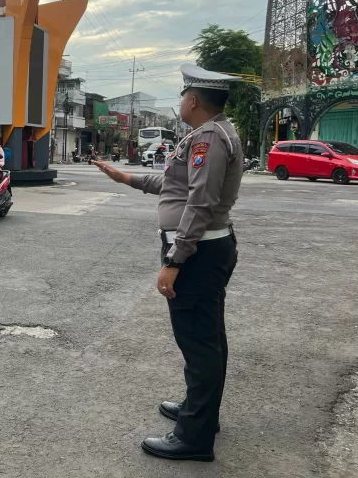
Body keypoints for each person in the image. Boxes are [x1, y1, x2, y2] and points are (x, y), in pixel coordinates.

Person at [92, 64, 244, 462]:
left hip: (198, 253)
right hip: (207, 250)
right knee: (207, 338)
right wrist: (125, 178)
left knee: (198, 342)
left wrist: (175, 259)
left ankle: (194, 436)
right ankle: (201, 414)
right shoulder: (207, 134)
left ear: (193, 100)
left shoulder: (208, 138)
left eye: (181, 96)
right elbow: (175, 185)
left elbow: (201, 203)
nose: (179, 102)